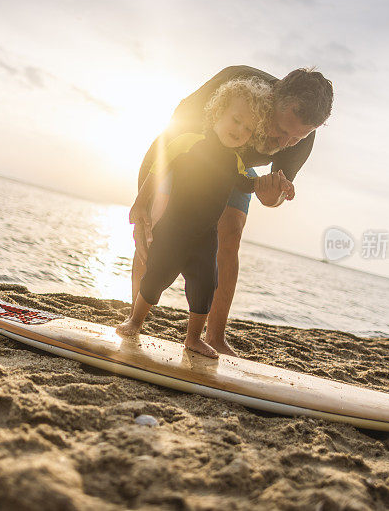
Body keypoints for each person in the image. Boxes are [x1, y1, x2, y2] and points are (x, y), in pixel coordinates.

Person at [130, 66, 333, 356]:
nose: (287, 143)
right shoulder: (236, 85)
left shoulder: (301, 138)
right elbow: (174, 134)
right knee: (157, 230)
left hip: (234, 168)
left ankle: (214, 336)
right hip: (184, 150)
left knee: (231, 233)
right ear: (273, 99)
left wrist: (271, 196)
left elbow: (272, 198)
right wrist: (145, 204)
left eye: (297, 138)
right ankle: (135, 319)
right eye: (283, 131)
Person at [117, 77, 275, 358]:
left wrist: (263, 184)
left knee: (205, 285)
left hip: (206, 237)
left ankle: (193, 338)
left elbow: (245, 184)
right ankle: (135, 320)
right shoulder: (187, 142)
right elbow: (157, 169)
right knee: (156, 278)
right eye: (236, 120)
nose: (240, 131)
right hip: (174, 229)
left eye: (248, 128)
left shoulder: (237, 162)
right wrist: (141, 201)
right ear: (218, 112)